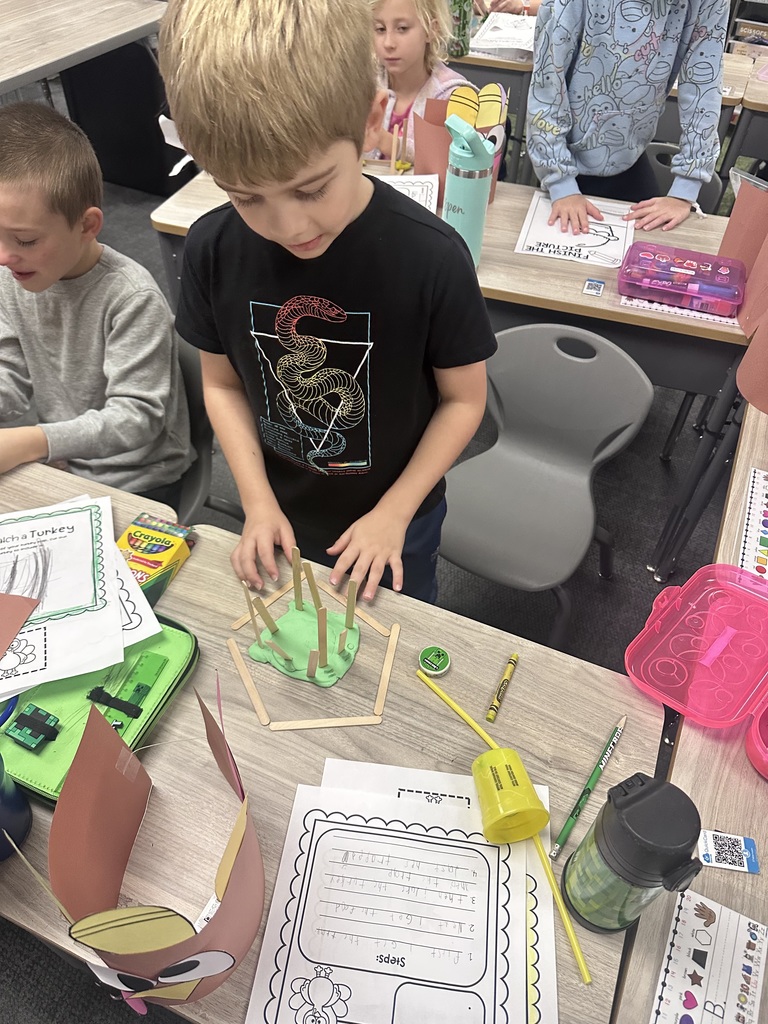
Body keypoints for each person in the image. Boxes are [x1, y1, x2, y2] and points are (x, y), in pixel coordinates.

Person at [158, 0, 496, 604]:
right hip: (277, 511)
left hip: (398, 519)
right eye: (245, 197)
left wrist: (394, 513)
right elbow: (223, 384)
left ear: (373, 122)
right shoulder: (213, 247)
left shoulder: (431, 257)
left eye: (311, 188)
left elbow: (464, 401)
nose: (287, 226)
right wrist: (256, 502)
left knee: (391, 649)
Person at [0, 102, 192, 507]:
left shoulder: (129, 297)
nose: (4, 256)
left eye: (26, 240)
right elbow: (10, 378)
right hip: (62, 460)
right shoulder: (11, 276)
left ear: (87, 226)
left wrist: (35, 441)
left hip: (140, 477)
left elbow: (137, 418)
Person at [525, 0, 728, 234]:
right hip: (564, 159)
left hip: (629, 157)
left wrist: (685, 189)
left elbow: (704, 85)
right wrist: (560, 182)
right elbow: (548, 85)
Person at [368, 0, 472, 162]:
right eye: (380, 29)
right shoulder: (365, 84)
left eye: (402, 29)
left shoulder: (451, 96)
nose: (388, 43)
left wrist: (386, 141)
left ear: (432, 30)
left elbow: (448, 160)